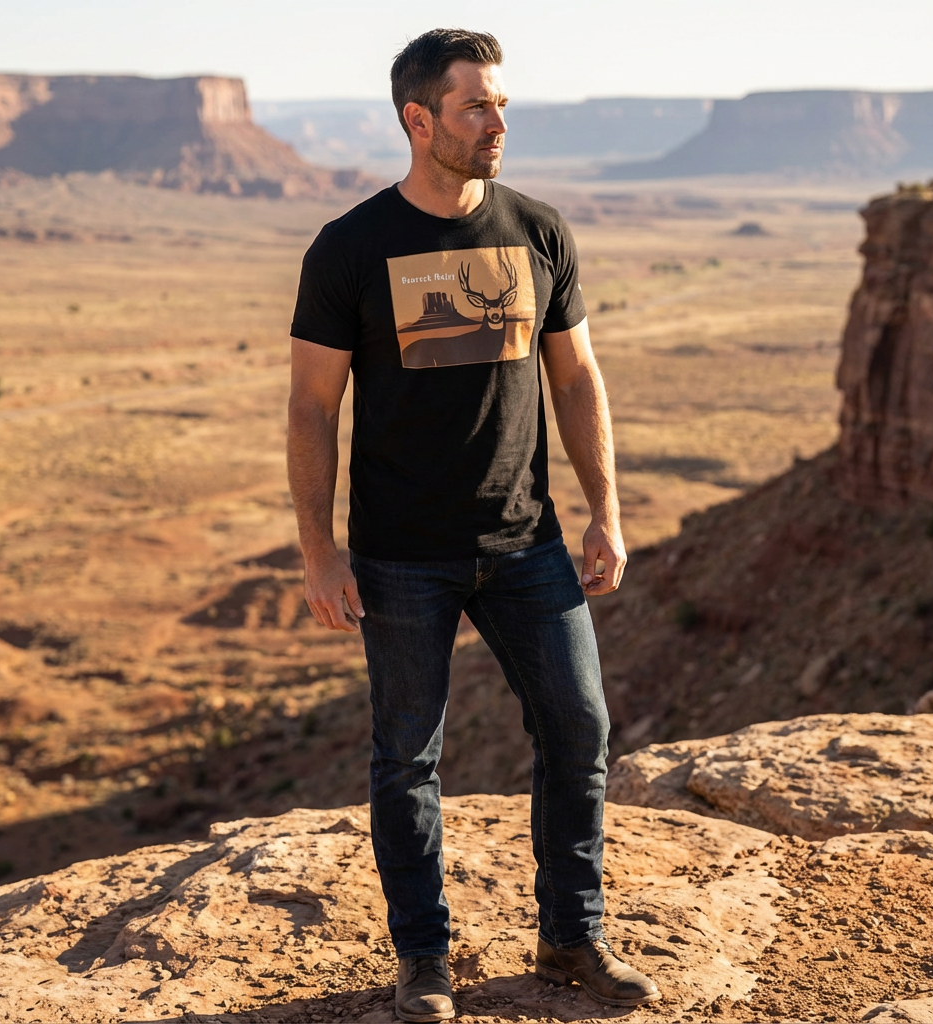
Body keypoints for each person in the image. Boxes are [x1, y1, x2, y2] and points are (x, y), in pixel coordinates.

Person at [287, 27, 661, 1023]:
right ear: (419, 120)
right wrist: (319, 550)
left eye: (501, 104)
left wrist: (605, 512)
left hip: (527, 541)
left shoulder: (537, 230)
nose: (498, 122)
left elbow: (575, 378)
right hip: (401, 556)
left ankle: (571, 935)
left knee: (578, 728)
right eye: (476, 107)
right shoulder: (350, 247)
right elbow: (312, 406)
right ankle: (423, 959)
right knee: (407, 758)